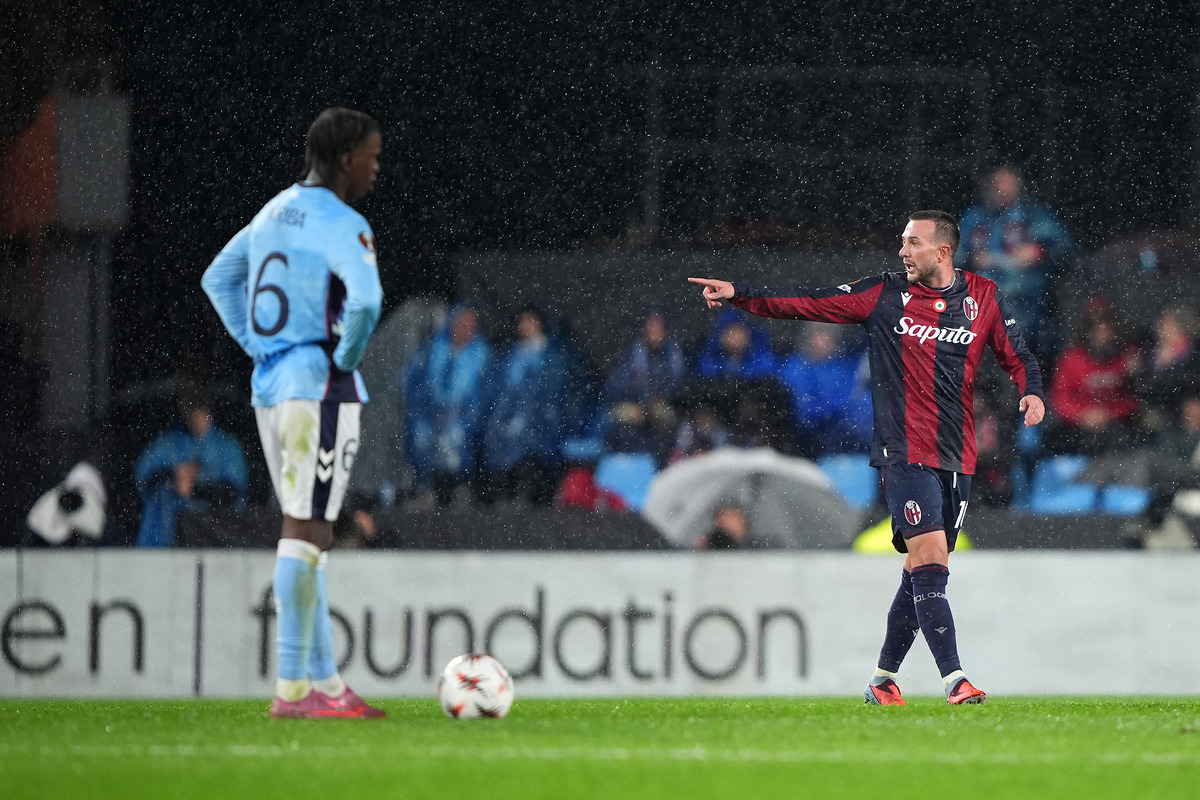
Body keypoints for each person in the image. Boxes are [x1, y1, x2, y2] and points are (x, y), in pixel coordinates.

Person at [689, 209, 1046, 706]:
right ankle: (955, 679)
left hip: (958, 455)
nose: (902, 251)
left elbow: (1017, 355)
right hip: (904, 452)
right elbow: (808, 304)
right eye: (902, 242)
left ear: (942, 251)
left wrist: (1032, 392)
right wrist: (742, 294)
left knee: (922, 572)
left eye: (913, 243)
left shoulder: (983, 296)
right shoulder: (885, 294)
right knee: (930, 557)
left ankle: (882, 681)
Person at [201, 107, 386, 719]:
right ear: (344, 159)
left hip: (272, 385)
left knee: (311, 528)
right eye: (371, 156)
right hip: (318, 385)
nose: (375, 168)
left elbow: (218, 278)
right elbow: (366, 302)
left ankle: (327, 684)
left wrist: (260, 345)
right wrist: (344, 358)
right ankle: (292, 691)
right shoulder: (343, 221)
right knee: (305, 530)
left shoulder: (274, 210)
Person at [957, 166, 1074, 360]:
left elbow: (1065, 249)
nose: (1003, 189)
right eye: (998, 183)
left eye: (1008, 182)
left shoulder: (1034, 216)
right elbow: (948, 253)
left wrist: (1041, 251)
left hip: (1031, 314)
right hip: (979, 315)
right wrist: (971, 258)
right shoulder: (975, 217)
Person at [477, 306, 572, 505]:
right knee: (496, 435)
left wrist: (532, 404)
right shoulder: (510, 355)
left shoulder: (551, 355)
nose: (526, 327)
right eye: (523, 322)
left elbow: (554, 390)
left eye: (531, 321)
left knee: (528, 439)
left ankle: (527, 492)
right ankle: (502, 492)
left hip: (540, 417)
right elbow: (497, 386)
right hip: (509, 414)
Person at [403, 303, 492, 506]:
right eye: (461, 322)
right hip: (430, 414)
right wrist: (429, 409)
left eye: (471, 324)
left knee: (458, 439)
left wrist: (460, 412)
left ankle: (460, 488)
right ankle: (426, 488)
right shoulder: (433, 348)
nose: (465, 328)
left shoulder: (482, 354)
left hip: (463, 415)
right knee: (421, 436)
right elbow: (414, 381)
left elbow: (484, 393)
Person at [133, 390, 248, 547]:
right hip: (167, 535)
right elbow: (144, 479)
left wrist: (195, 490)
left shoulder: (227, 447)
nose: (197, 419)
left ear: (209, 414)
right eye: (191, 413)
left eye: (201, 413)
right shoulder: (167, 444)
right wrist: (174, 476)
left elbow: (235, 493)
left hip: (214, 534)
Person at [1047, 298, 1143, 455]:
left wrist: (1110, 413)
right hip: (1078, 425)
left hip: (1117, 424)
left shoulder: (1129, 355)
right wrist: (1083, 414)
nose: (1103, 334)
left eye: (1107, 328)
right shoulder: (1072, 358)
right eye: (1098, 328)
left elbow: (1136, 397)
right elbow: (1060, 398)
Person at [602, 306, 687, 465]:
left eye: (659, 326)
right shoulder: (632, 356)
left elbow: (682, 389)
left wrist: (662, 402)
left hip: (665, 416)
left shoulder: (676, 356)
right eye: (651, 326)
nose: (655, 331)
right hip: (637, 414)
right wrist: (635, 406)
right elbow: (613, 387)